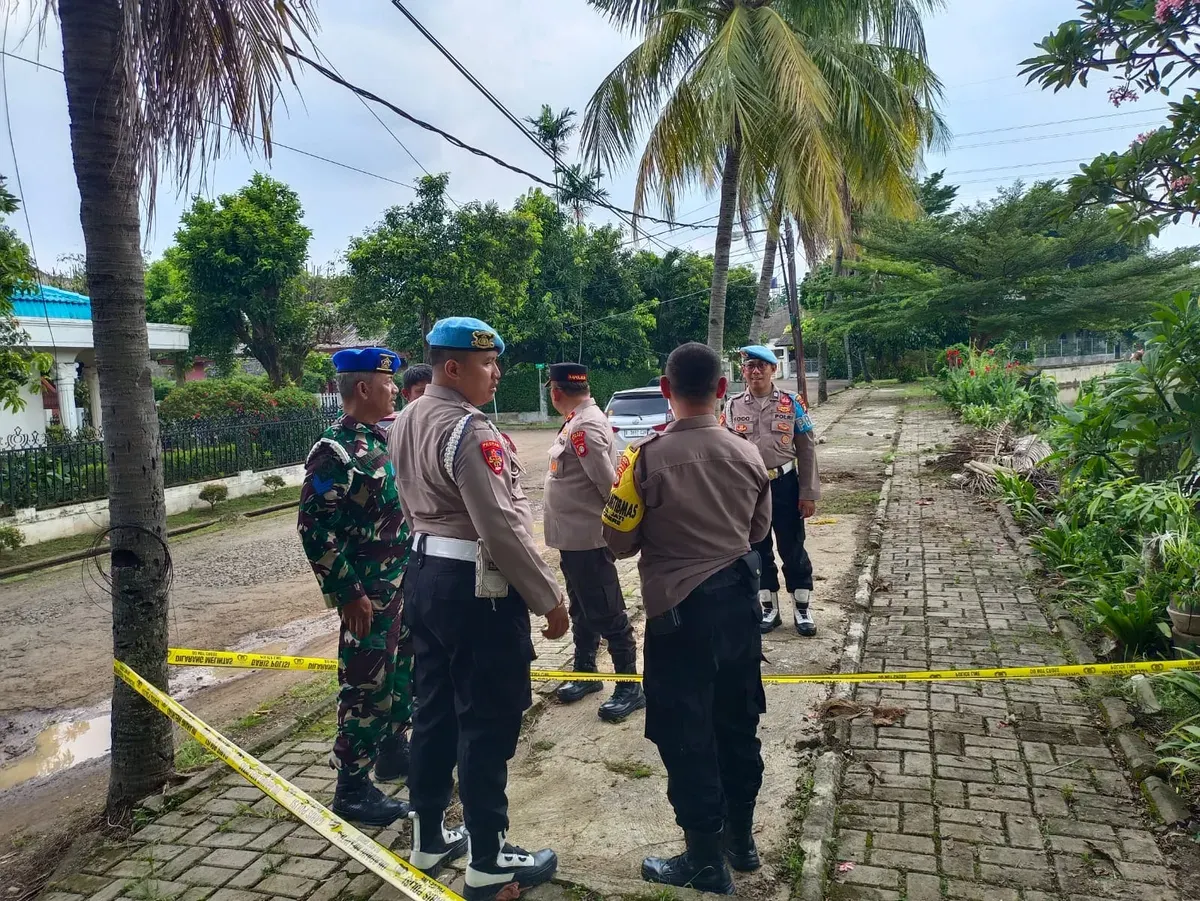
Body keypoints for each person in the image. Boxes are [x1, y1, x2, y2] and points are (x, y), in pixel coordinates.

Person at [388, 316, 569, 900]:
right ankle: (489, 860)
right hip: (476, 587)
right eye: (487, 363)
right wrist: (549, 598)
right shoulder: (470, 430)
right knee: (487, 718)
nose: (496, 374)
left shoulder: (407, 416)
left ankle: (428, 837)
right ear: (452, 368)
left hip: (424, 577)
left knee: (435, 711)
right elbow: (503, 528)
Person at [604, 342, 771, 895]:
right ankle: (740, 841)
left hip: (679, 615)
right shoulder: (748, 454)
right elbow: (756, 534)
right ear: (723, 390)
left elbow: (617, 542)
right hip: (740, 607)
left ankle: (704, 857)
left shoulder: (643, 460)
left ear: (665, 389)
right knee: (737, 720)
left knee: (686, 732)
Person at [296, 347, 412, 827]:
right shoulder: (335, 451)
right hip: (367, 595)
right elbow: (313, 527)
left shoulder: (382, 438)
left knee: (399, 678)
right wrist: (347, 592)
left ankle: (392, 752)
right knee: (365, 686)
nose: (395, 390)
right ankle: (351, 787)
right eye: (387, 383)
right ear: (362, 388)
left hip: (401, 588)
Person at [543, 362, 645, 721]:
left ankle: (630, 685)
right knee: (582, 609)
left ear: (555, 392)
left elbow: (607, 484)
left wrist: (619, 531)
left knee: (608, 611)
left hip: (588, 539)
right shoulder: (577, 419)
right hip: (574, 540)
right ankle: (586, 672)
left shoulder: (584, 425)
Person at [722, 345, 821, 636]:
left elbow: (806, 449)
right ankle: (769, 608)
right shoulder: (732, 406)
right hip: (749, 489)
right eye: (750, 366)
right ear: (744, 371)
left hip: (786, 485)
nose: (755, 371)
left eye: (761, 366)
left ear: (773, 370)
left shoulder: (792, 404)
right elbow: (725, 453)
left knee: (792, 548)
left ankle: (802, 608)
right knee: (758, 548)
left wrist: (808, 493)